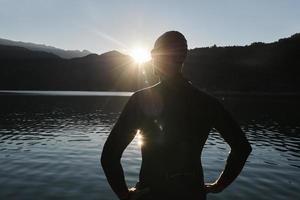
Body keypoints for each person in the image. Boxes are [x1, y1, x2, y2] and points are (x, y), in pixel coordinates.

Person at [101, 31, 252, 200]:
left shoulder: (141, 100)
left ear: (156, 56)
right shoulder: (208, 103)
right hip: (192, 193)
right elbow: (242, 148)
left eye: (153, 53)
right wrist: (219, 185)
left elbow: (109, 156)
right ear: (183, 58)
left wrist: (124, 194)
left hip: (153, 193)